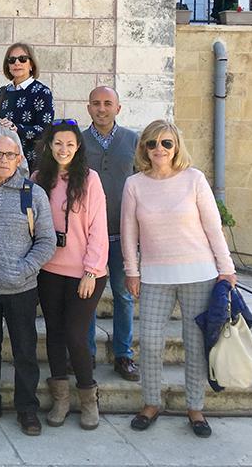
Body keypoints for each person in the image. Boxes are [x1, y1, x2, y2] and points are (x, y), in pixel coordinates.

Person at [122, 120, 237, 438]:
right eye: (152, 143)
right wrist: (132, 270)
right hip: (155, 277)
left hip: (199, 274)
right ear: (144, 148)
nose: (159, 148)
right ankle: (150, 403)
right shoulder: (134, 184)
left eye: (166, 143)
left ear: (176, 147)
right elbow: (129, 233)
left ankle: (195, 407)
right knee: (150, 341)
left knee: (195, 342)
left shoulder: (194, 179)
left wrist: (226, 268)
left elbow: (213, 227)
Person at [0, 136, 55, 436]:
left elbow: (46, 241)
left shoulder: (33, 194)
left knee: (25, 352)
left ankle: (27, 409)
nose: (3, 159)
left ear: (19, 159)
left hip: (21, 289)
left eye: (10, 154)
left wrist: (24, 270)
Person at [33, 120, 109, 431]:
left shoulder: (90, 180)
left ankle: (88, 398)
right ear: (49, 146)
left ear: (78, 148)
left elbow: (98, 231)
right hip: (50, 270)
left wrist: (91, 271)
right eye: (58, 143)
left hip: (85, 272)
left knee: (76, 335)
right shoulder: (39, 179)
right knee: (54, 334)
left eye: (70, 144)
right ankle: (61, 398)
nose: (63, 149)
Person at [83, 86, 140, 381]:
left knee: (123, 295)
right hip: (87, 237)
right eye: (96, 103)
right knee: (87, 298)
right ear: (88, 107)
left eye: (107, 103)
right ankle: (86, 353)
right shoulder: (77, 143)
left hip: (121, 235)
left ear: (118, 108)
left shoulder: (133, 140)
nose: (101, 108)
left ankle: (123, 355)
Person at [0, 42, 54, 170]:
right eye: (12, 60)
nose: (17, 63)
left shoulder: (42, 92)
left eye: (22, 59)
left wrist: (18, 129)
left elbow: (46, 130)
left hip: (31, 160)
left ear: (31, 64)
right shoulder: (1, 92)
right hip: (4, 161)